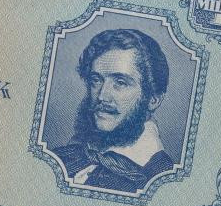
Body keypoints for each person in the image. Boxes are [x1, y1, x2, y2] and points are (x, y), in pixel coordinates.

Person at [54, 28, 174, 193]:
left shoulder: (162, 177)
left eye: (120, 82)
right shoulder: (64, 156)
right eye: (96, 80)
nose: (102, 96)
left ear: (153, 100)